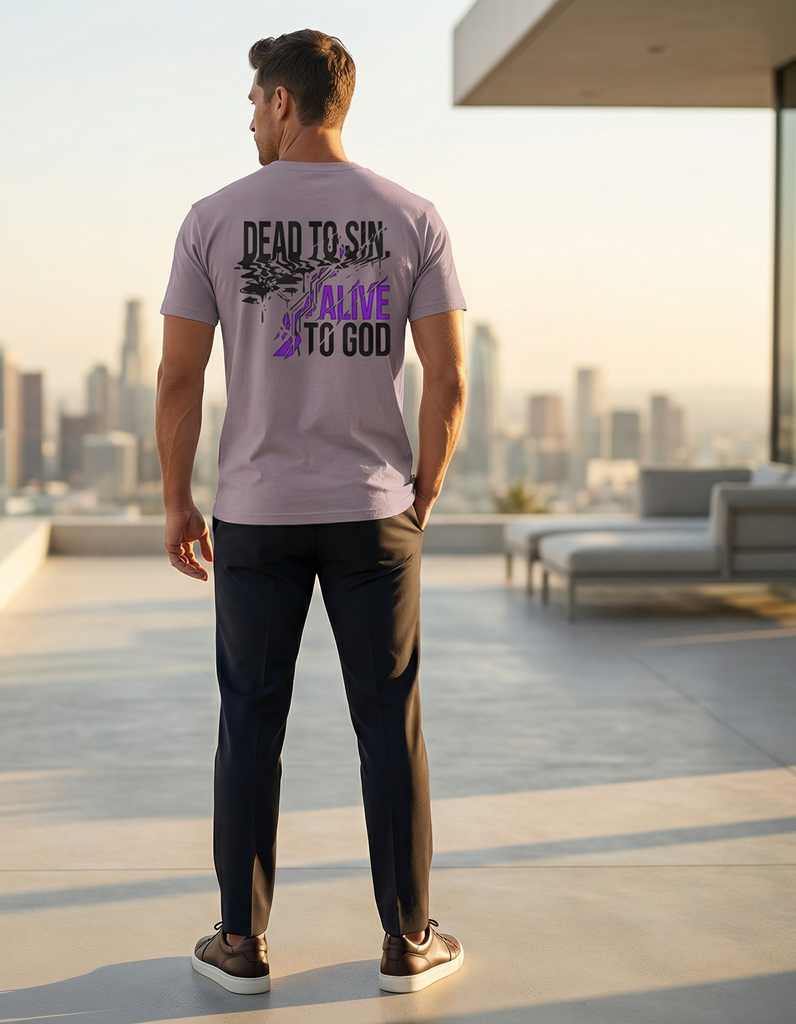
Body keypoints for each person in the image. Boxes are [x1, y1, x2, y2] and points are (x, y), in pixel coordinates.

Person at [156, 29, 467, 995]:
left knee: (250, 723)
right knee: (390, 723)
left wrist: (177, 498)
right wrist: (424, 488)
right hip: (374, 511)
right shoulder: (411, 216)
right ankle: (408, 943)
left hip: (256, 513)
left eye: (253, 101)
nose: (249, 118)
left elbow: (178, 376)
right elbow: (449, 376)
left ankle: (241, 945)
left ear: (283, 103)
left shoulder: (213, 218)